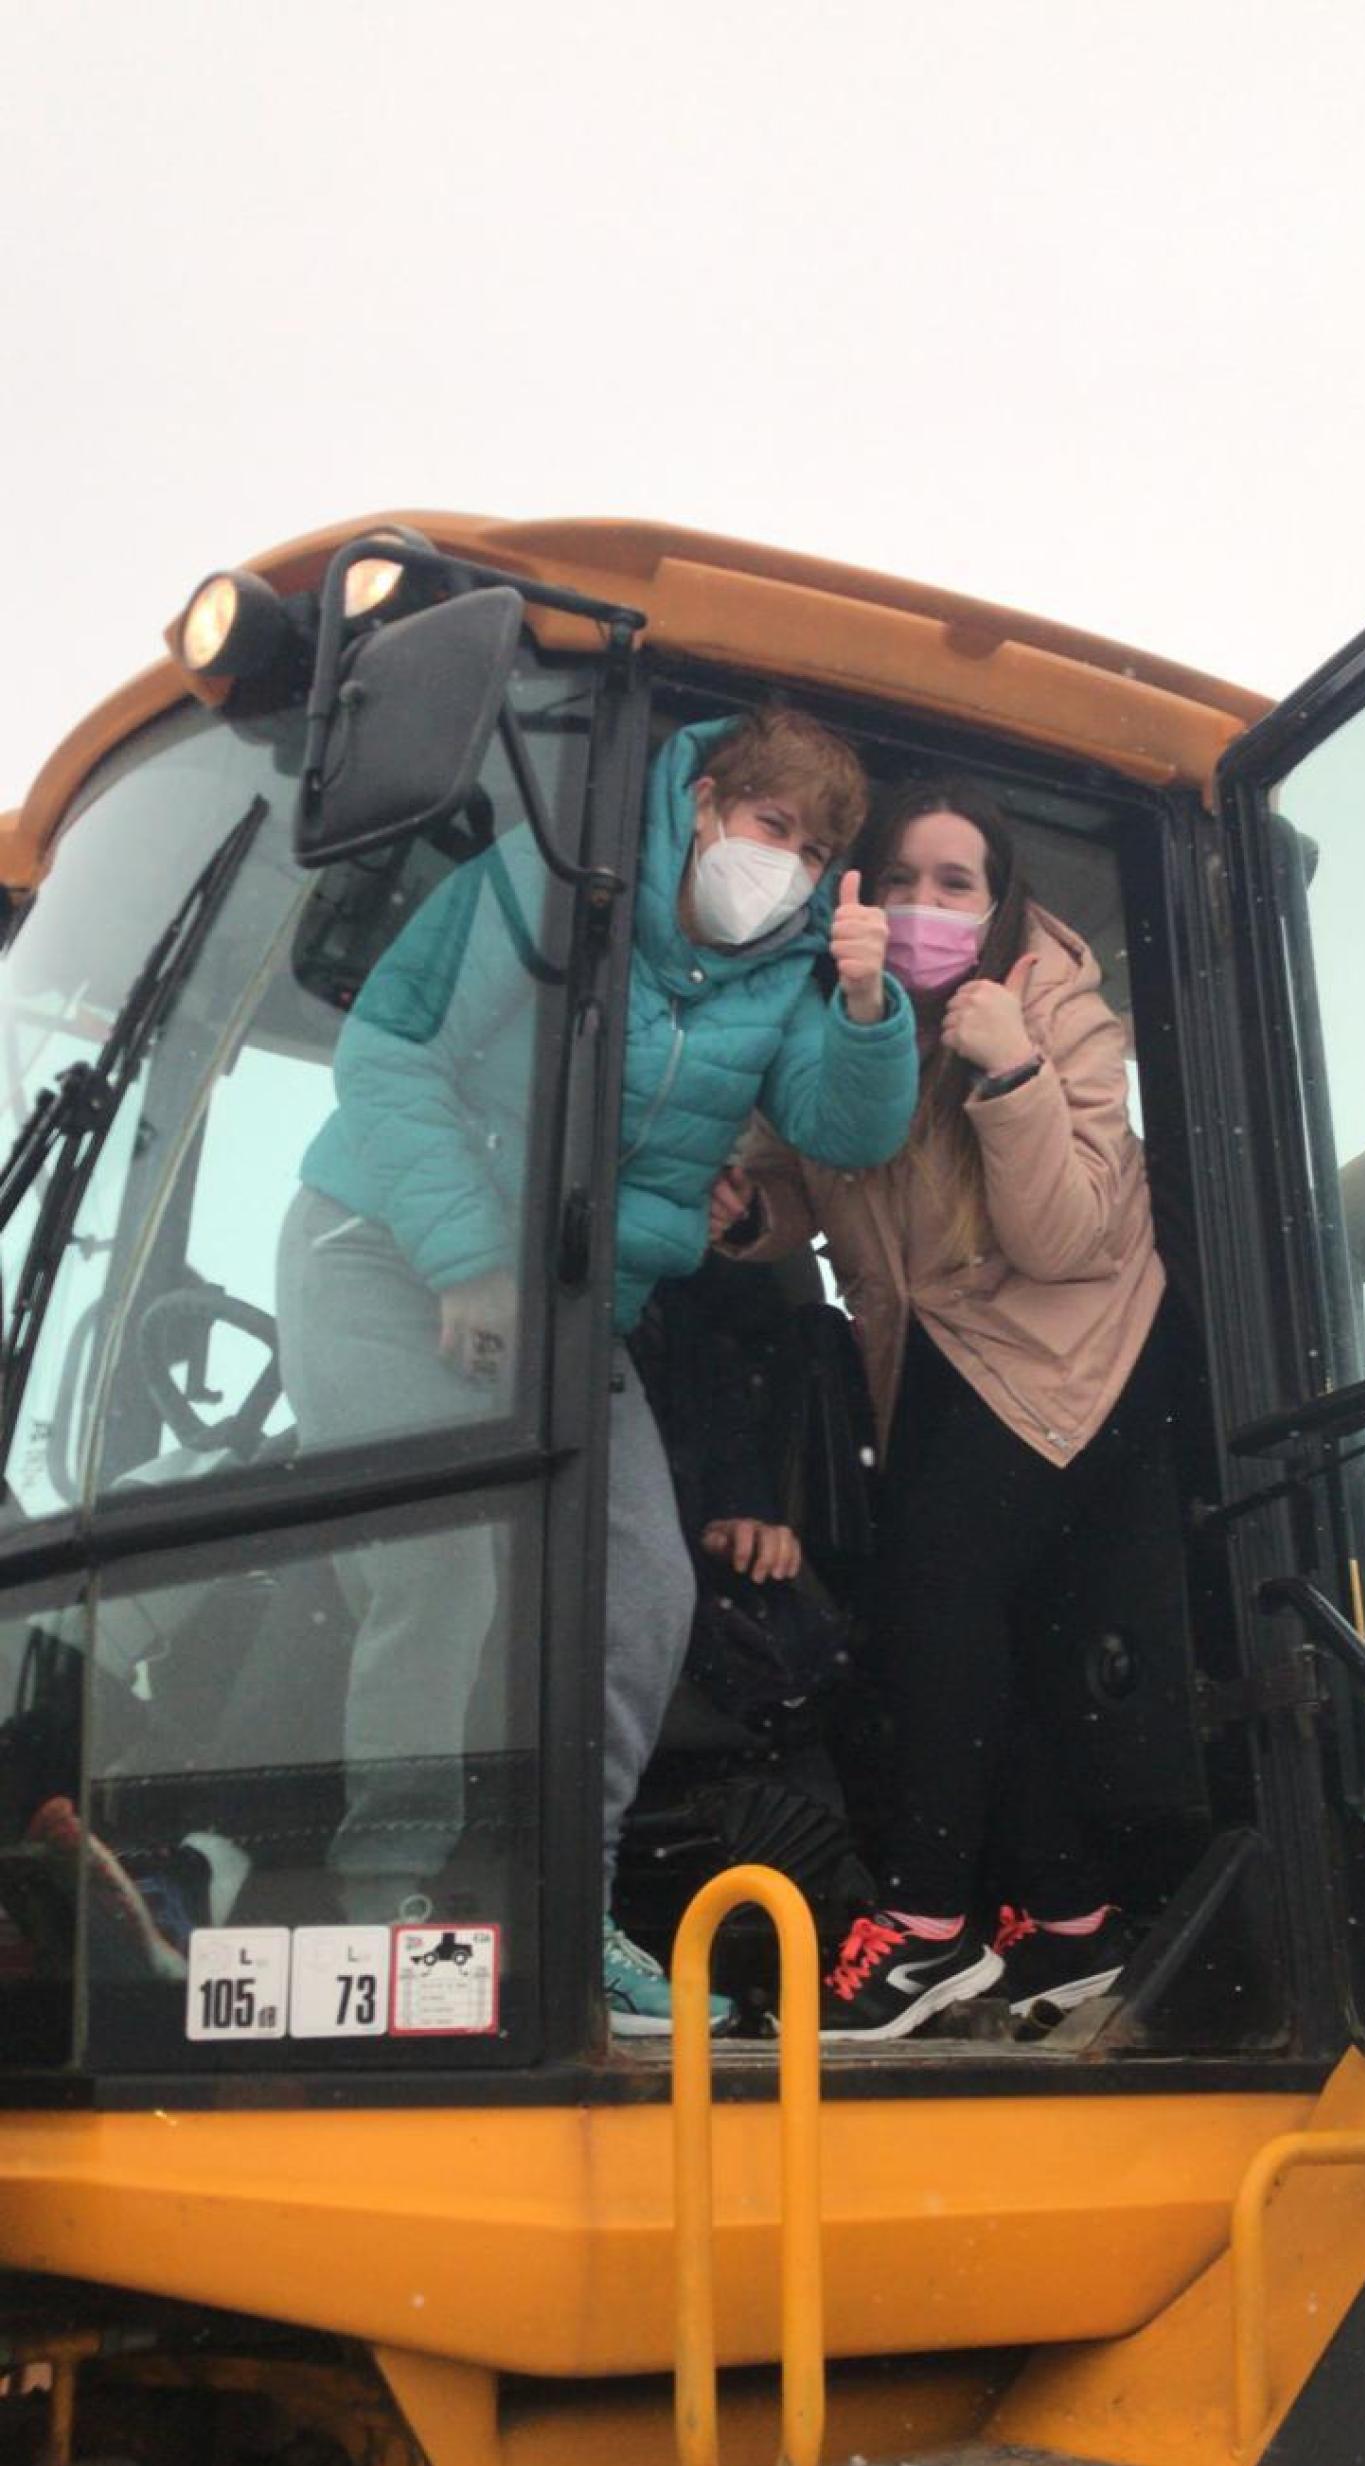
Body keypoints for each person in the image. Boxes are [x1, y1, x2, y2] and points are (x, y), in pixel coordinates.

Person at [276, 708, 917, 2034]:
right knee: (438, 1555)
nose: (781, 864)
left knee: (641, 1587)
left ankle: (568, 1908)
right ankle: (387, 1895)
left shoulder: (788, 972)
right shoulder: (556, 875)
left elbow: (844, 1123)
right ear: (701, 806)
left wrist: (865, 1003)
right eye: (766, 826)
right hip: (383, 1251)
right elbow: (390, 1055)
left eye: (811, 848)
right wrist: (465, 1256)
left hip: (567, 1308)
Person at [713, 777, 1167, 2042]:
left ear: (997, 898)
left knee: (930, 1612)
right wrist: (753, 1219)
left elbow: (1069, 1235)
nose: (922, 905)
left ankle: (923, 1931)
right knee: (960, 1633)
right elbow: (804, 1177)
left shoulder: (1059, 1012)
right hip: (924, 1357)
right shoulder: (835, 1008)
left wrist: (1009, 1068)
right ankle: (1069, 1924)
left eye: (952, 883)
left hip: (1058, 1352)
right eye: (900, 879)